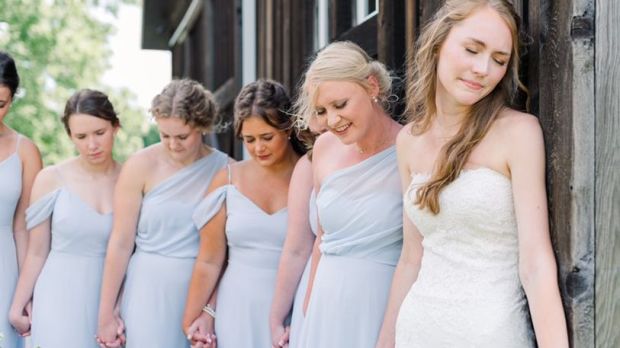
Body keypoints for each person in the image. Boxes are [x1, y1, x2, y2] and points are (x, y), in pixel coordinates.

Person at [376, 1, 569, 347]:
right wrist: (385, 341)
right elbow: (410, 258)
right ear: (438, 42)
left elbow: (536, 263)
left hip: (491, 334)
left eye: (499, 60)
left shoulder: (518, 133)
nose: (483, 69)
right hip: (417, 330)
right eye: (472, 49)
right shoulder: (409, 141)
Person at [96, 79, 229, 348]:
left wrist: (210, 310)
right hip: (147, 288)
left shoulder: (227, 170)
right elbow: (121, 243)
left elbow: (227, 255)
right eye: (164, 136)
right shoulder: (140, 166)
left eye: (182, 137)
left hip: (200, 290)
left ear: (202, 126)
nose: (172, 144)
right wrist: (106, 313)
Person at [293, 41, 403, 348]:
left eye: (340, 105)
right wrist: (309, 307)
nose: (332, 121)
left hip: (379, 303)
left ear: (371, 86)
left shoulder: (410, 148)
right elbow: (321, 239)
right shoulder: (325, 148)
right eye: (321, 111)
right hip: (324, 303)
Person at [183, 79, 304, 348]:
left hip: (297, 306)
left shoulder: (311, 173)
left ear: (287, 128)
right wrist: (196, 319)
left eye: (266, 137)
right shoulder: (227, 179)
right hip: (237, 306)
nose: (258, 148)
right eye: (249, 139)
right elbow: (210, 260)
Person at [9, 89, 121, 348]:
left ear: (115, 127)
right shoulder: (51, 178)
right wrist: (18, 305)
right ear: (70, 136)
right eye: (81, 136)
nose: (91, 145)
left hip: (111, 299)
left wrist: (118, 305)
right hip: (58, 296)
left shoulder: (130, 181)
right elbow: (37, 252)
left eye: (99, 133)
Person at [269, 115, 326, 348]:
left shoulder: (397, 151)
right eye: (320, 110)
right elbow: (296, 248)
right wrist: (277, 317)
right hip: (316, 287)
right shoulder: (309, 165)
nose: (329, 118)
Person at [0, 51, 42, 348]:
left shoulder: (24, 150)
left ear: (12, 100)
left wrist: (27, 293)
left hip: (5, 274)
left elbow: (23, 228)